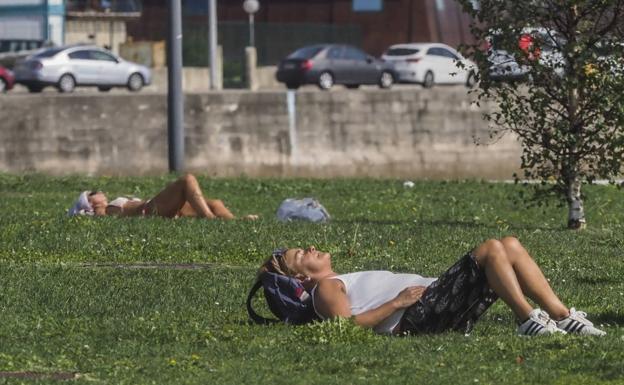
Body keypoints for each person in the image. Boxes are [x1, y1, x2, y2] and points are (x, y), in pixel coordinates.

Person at [258, 237, 605, 336]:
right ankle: (528, 319)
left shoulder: (339, 281)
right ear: (302, 277)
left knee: (509, 245)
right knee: (489, 250)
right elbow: (343, 327)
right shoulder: (325, 290)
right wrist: (396, 303)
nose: (311, 248)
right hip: (416, 317)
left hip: (429, 304)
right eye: (302, 254)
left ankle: (561, 316)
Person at [68, 173, 258, 220]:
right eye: (94, 194)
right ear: (90, 203)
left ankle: (235, 222)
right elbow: (99, 216)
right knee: (187, 180)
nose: (100, 192)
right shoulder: (103, 210)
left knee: (215, 203)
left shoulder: (109, 205)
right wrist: (94, 210)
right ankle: (210, 220)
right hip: (148, 210)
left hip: (151, 207)